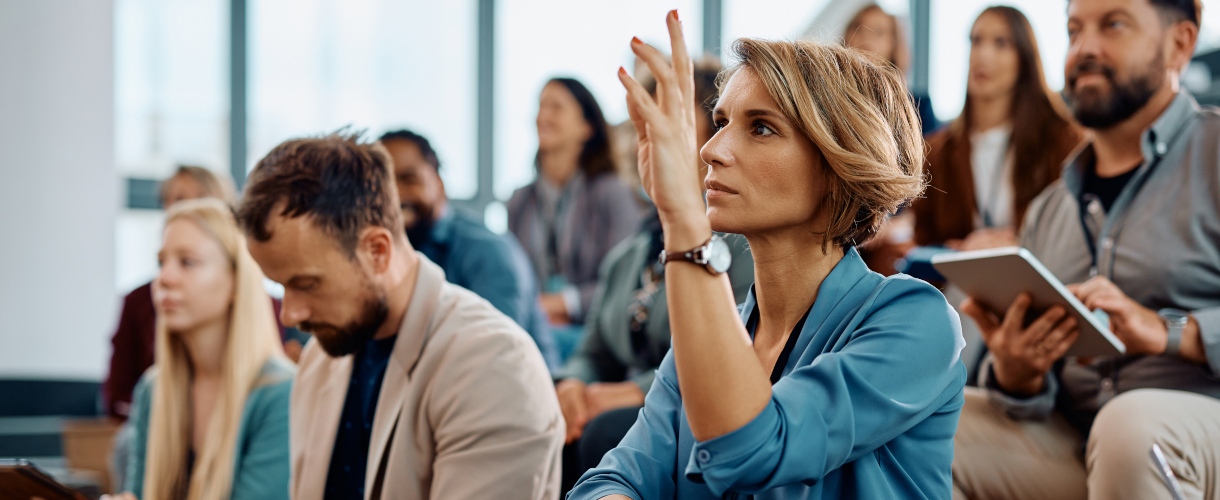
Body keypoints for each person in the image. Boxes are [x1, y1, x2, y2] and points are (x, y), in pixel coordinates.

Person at [571, 12, 966, 499]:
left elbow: (753, 449)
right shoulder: (705, 343)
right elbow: (612, 480)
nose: (711, 150)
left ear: (837, 164)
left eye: (760, 128)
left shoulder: (916, 320)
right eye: (719, 122)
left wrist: (684, 223)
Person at [951, 1, 1220, 499]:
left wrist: (1172, 333)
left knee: (1130, 427)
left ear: (1180, 44)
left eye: (1113, 24)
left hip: (1196, 426)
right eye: (1075, 30)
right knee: (935, 419)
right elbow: (1027, 398)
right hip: (1083, 441)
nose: (1084, 48)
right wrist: (1016, 374)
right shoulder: (1049, 210)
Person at [237, 133, 563, 499]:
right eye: (282, 287)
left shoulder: (494, 364)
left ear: (377, 251)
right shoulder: (320, 359)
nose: (290, 315)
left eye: (308, 284)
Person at [552, 60, 755, 492]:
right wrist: (574, 385)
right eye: (639, 125)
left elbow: (738, 348)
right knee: (552, 421)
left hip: (689, 404)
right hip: (630, 405)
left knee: (602, 433)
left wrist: (631, 393)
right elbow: (594, 351)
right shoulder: (629, 254)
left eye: (668, 125)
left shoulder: (742, 245)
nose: (643, 140)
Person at [118, 198, 294, 500]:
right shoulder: (153, 389)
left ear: (236, 282)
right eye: (162, 262)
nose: (164, 278)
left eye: (187, 262)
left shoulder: (282, 394)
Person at [378, 129, 559, 369]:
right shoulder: (386, 254)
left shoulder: (486, 251)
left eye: (409, 179)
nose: (395, 195)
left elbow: (494, 354)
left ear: (439, 184)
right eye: (382, 184)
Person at [912, 6, 1084, 251]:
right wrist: (959, 251)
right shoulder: (937, 150)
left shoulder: (1063, 139)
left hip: (1037, 281)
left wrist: (1017, 245)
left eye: (1001, 43)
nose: (983, 55)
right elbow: (923, 244)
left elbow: (1077, 237)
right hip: (958, 285)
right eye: (976, 41)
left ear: (1024, 58)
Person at [509, 77, 643, 335]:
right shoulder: (520, 201)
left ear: (586, 127)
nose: (542, 116)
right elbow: (514, 278)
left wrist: (562, 305)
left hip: (597, 332)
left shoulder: (612, 193)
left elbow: (627, 281)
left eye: (556, 107)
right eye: (540, 106)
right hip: (533, 326)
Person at [843, 4, 940, 136]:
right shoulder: (827, 97)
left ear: (894, 45)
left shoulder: (918, 109)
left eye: (878, 32)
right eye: (859, 28)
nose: (867, 37)